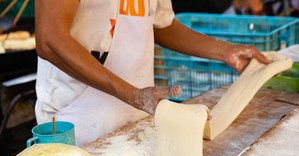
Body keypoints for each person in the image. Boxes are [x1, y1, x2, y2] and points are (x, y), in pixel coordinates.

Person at [35, 0, 270, 146]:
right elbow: (50, 39)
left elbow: (160, 24)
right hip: (75, 124)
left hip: (134, 120)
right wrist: (133, 94)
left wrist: (225, 51)